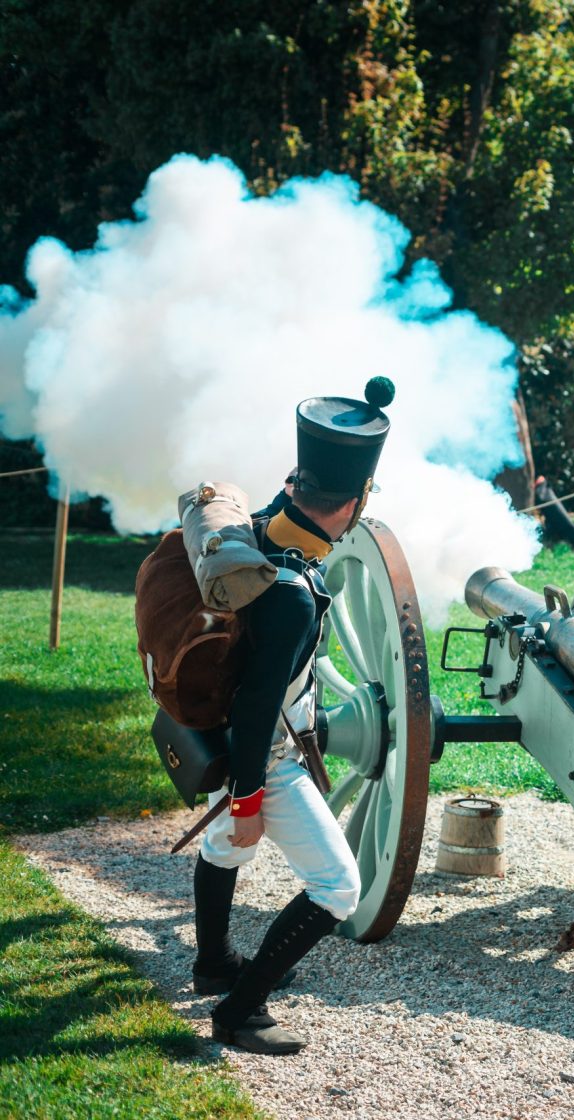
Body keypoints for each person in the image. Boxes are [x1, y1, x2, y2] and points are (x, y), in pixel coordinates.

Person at [191, 379, 394, 1055]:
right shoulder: (293, 599)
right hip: (265, 758)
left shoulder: (263, 532)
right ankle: (239, 1012)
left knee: (221, 846)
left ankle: (214, 961)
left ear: (294, 484)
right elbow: (256, 708)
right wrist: (249, 797)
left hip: (222, 738)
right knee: (339, 886)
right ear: (357, 502)